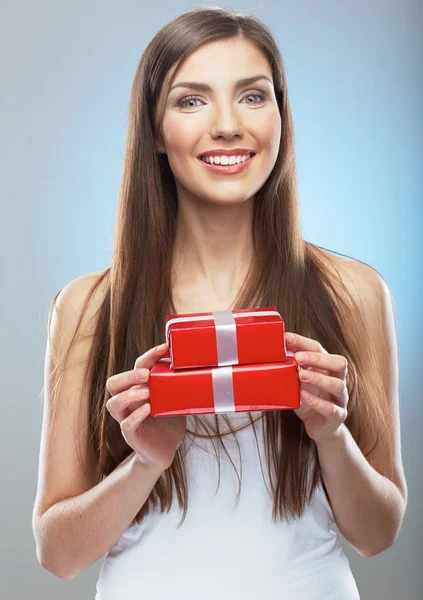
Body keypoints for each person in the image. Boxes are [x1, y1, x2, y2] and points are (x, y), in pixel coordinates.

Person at [32, 6, 407, 599]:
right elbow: (57, 553)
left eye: (254, 97)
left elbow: (378, 533)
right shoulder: (89, 306)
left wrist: (332, 434)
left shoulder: (354, 292)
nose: (229, 125)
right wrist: (146, 462)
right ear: (155, 130)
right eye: (191, 100)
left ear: (281, 117)